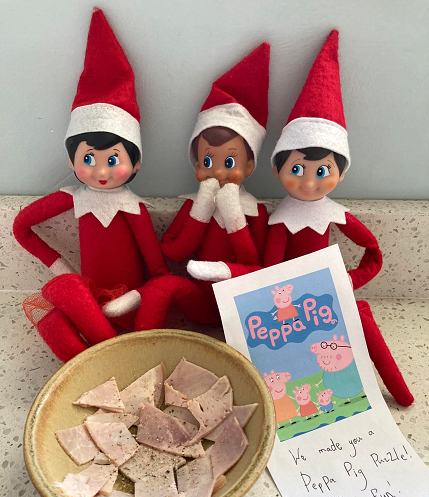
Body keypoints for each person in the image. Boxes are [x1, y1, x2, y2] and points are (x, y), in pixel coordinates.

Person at [187, 30, 414, 407]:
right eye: (297, 170)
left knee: (361, 321)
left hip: (324, 298)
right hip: (285, 304)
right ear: (277, 170)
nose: (308, 182)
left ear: (341, 174)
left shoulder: (332, 214)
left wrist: (349, 280)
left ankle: (400, 394)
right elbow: (267, 268)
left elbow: (373, 251)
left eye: (322, 172)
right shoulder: (279, 220)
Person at [13, 8, 169, 362]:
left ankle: (106, 356)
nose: (100, 170)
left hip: (130, 307)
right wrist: (62, 270)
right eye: (88, 158)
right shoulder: (72, 198)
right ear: (72, 162)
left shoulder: (133, 207)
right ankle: (97, 357)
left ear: (136, 162)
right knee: (68, 321)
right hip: (87, 303)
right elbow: (21, 227)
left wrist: (132, 299)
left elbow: (158, 270)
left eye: (112, 160)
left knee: (117, 343)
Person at [103, 42, 271, 329]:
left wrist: (233, 216)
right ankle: (140, 337)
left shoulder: (256, 212)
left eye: (229, 162)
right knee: (164, 286)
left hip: (243, 311)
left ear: (250, 167)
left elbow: (255, 265)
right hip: (198, 303)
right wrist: (201, 210)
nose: (218, 171)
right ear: (197, 166)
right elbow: (175, 253)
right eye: (208, 161)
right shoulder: (194, 204)